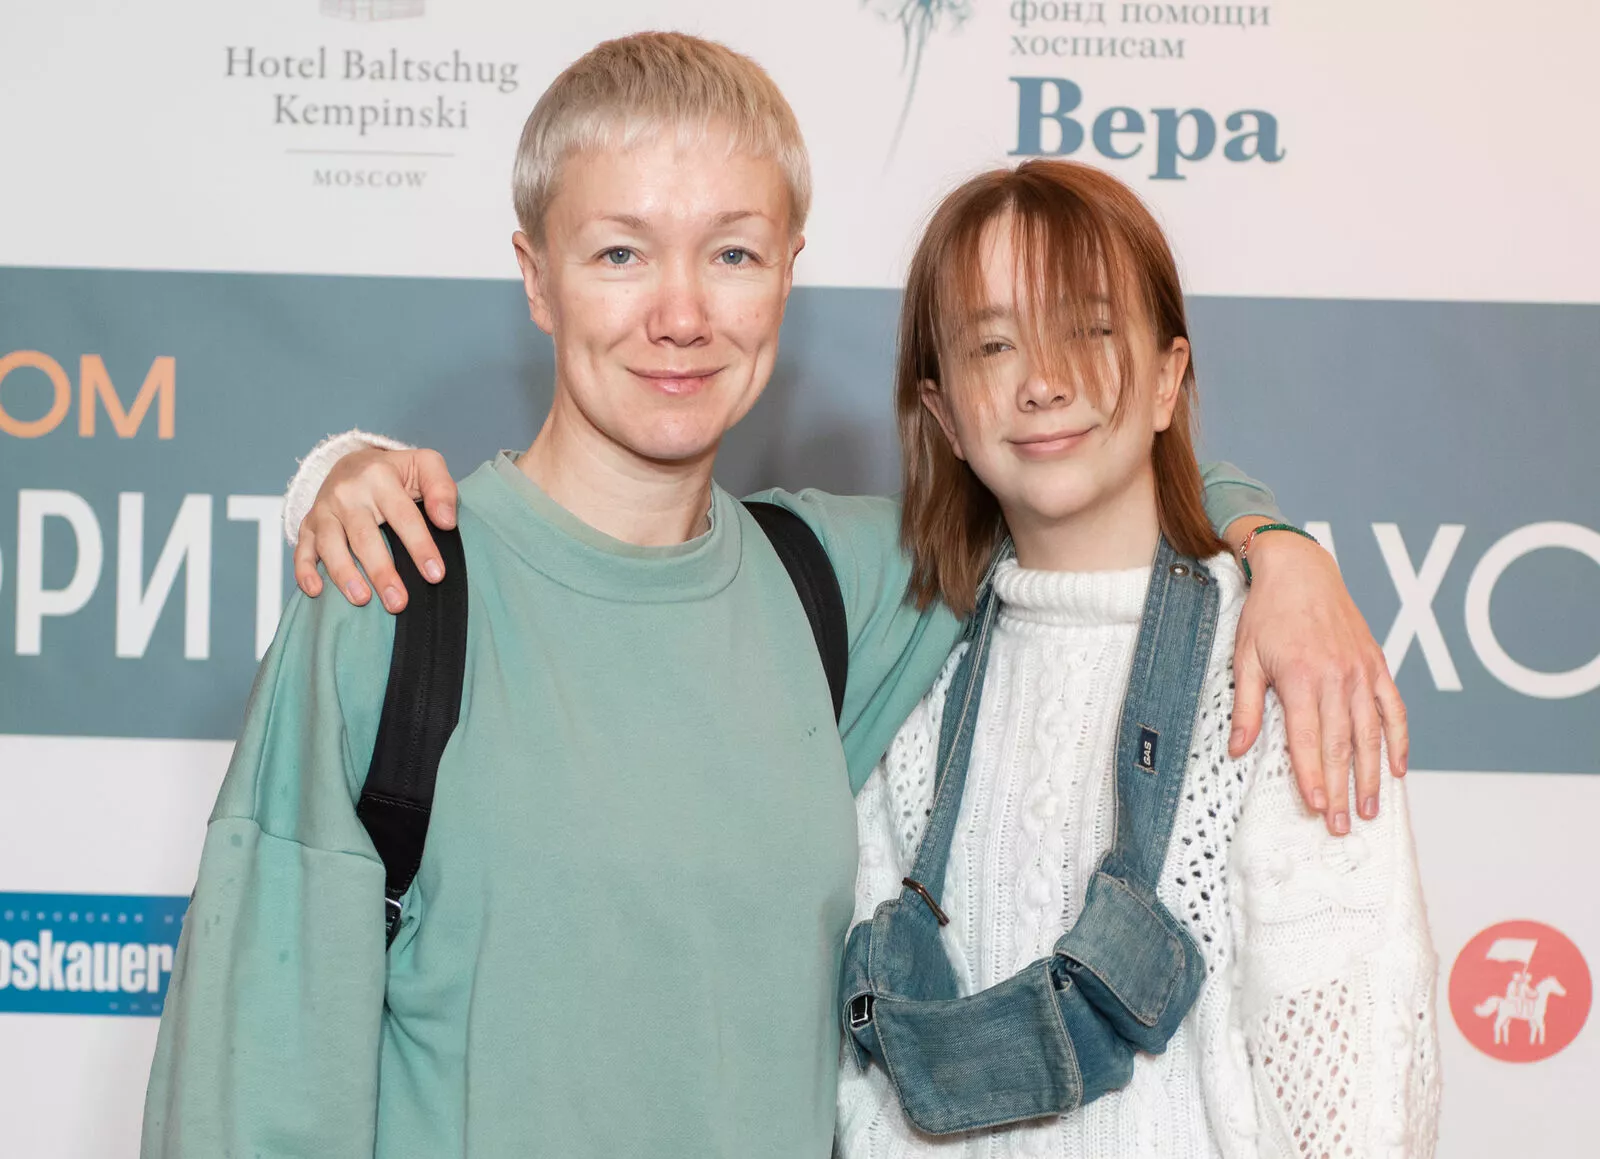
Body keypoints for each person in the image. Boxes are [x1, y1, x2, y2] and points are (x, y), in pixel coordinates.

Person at [144, 32, 1406, 1159]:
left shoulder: (836, 586)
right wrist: (339, 469)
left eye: (733, 253)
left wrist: (1275, 545)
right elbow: (252, 1089)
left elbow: (1072, 462)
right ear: (536, 275)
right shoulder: (392, 590)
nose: (681, 313)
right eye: (620, 252)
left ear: (788, 275)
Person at [834, 159, 1438, 1157]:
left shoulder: (1277, 663)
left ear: (1165, 378)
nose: (1043, 381)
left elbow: (1351, 1104)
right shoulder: (910, 664)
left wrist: (1279, 549)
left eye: (1089, 329)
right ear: (944, 415)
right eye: (994, 344)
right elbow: (864, 1086)